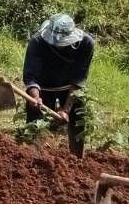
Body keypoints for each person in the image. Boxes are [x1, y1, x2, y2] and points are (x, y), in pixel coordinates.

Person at [23, 14, 94, 156]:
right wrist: (35, 98)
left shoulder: (86, 44)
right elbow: (31, 77)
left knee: (78, 119)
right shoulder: (37, 42)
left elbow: (78, 80)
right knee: (34, 120)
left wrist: (66, 110)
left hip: (69, 87)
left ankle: (76, 160)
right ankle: (32, 157)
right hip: (42, 87)